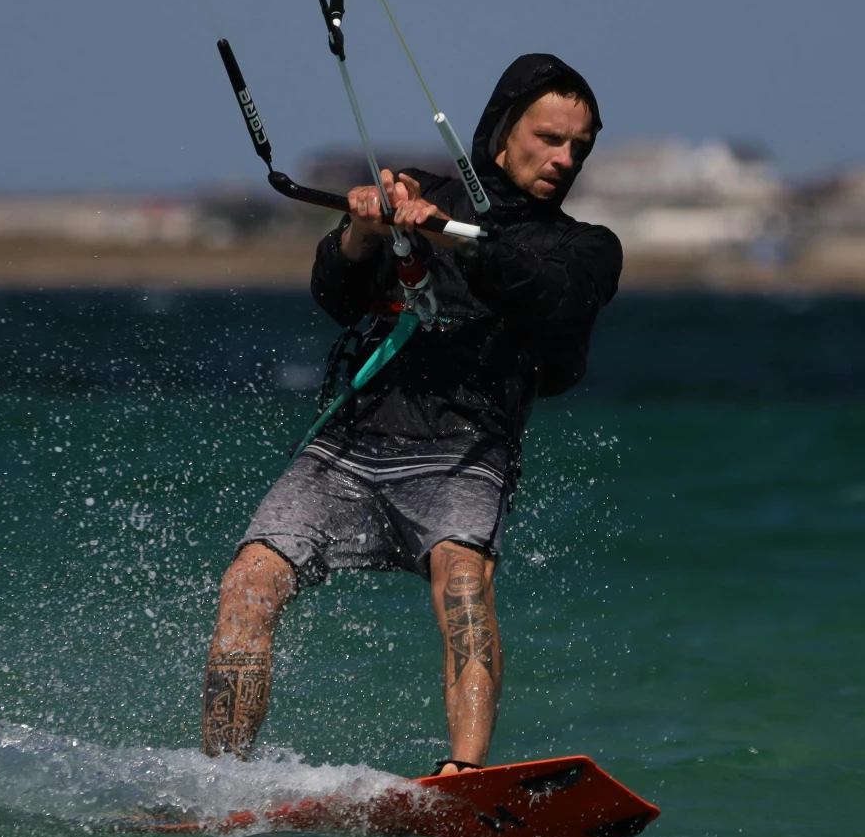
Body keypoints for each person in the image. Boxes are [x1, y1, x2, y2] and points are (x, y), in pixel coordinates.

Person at [200, 54, 621, 775]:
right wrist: (365, 230)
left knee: (464, 583)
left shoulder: (585, 247)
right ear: (500, 132)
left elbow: (543, 293)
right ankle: (218, 777)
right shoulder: (419, 197)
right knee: (248, 580)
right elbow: (336, 294)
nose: (565, 158)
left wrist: (452, 232)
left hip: (463, 450)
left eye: (578, 146)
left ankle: (463, 773)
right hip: (352, 440)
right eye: (549, 138)